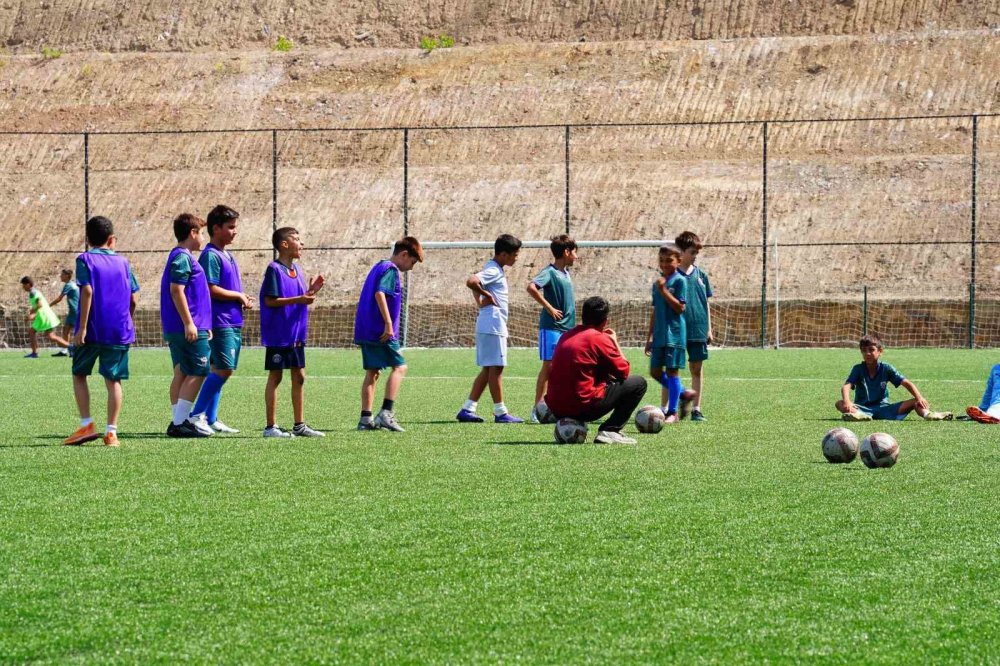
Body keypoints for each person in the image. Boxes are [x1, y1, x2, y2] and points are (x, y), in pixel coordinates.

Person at [63, 216, 140, 448]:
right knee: (113, 380)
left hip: (93, 330)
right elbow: (134, 298)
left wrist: (83, 327)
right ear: (111, 239)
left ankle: (87, 425)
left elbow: (86, 291)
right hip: (118, 330)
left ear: (87, 239)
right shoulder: (124, 263)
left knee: (79, 374)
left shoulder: (84, 259)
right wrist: (127, 320)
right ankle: (111, 433)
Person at [545, 296, 647, 444]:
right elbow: (624, 371)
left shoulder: (565, 336)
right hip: (582, 407)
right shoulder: (599, 338)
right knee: (638, 383)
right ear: (605, 321)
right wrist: (614, 341)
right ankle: (610, 430)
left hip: (556, 407)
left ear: (583, 316)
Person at [190, 205, 252, 434]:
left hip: (233, 319)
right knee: (223, 370)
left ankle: (211, 417)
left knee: (220, 369)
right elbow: (210, 288)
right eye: (231, 227)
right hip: (220, 321)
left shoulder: (228, 254)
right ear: (216, 228)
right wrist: (237, 295)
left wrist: (242, 297)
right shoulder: (211, 255)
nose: (235, 231)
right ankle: (196, 415)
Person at [260, 227, 326, 438]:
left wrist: (312, 291)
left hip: (296, 334)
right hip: (279, 334)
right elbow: (270, 301)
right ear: (284, 244)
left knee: (299, 377)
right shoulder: (274, 269)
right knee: (276, 377)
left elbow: (301, 298)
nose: (301, 243)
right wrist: (300, 299)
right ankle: (271, 427)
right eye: (297, 239)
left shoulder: (297, 270)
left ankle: (299, 425)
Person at [354, 236, 424, 432]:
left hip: (367, 328)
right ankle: (386, 412)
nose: (411, 267)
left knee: (373, 372)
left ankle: (365, 419)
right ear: (403, 254)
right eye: (412, 262)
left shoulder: (379, 266)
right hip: (381, 331)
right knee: (400, 367)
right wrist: (388, 324)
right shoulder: (391, 270)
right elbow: (379, 294)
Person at [456, 234, 525, 424]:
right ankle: (501, 412)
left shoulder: (493, 268)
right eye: (514, 255)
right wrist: (485, 295)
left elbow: (475, 283)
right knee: (497, 368)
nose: (516, 258)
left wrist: (480, 300)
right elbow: (471, 281)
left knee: (488, 369)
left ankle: (468, 409)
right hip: (493, 324)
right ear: (503, 254)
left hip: (490, 323)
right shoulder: (494, 270)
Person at [161, 213, 214, 438]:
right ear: (192, 233)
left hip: (186, 325)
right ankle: (180, 421)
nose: (202, 237)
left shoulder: (181, 256)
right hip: (187, 326)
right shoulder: (183, 257)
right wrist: (190, 323)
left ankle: (178, 421)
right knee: (199, 370)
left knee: (182, 372)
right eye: (201, 232)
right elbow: (177, 290)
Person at [837, 334, 952, 421]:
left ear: (880, 351)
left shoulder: (886, 368)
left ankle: (928, 415)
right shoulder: (858, 368)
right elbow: (846, 387)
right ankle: (857, 415)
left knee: (915, 401)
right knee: (840, 403)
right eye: (864, 351)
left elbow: (906, 383)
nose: (867, 353)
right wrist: (847, 402)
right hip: (862, 408)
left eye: (871, 350)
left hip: (884, 409)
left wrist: (919, 397)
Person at [527, 234, 577, 423]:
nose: (576, 257)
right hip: (552, 328)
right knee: (548, 368)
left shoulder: (565, 273)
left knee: (565, 369)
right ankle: (537, 409)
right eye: (574, 252)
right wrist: (549, 308)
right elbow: (531, 287)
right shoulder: (549, 272)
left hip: (567, 329)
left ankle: (560, 407)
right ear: (566, 252)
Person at [645, 245, 694, 424]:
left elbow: (680, 308)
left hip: (674, 334)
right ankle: (684, 393)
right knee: (655, 372)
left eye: (669, 260)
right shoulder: (657, 283)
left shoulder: (680, 281)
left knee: (672, 372)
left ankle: (672, 412)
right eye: (662, 260)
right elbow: (656, 311)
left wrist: (664, 291)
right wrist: (649, 337)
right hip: (659, 335)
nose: (665, 264)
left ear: (678, 261)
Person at [674, 230, 712, 421]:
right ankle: (675, 404)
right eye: (692, 252)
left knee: (696, 369)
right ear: (680, 253)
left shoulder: (701, 275)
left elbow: (706, 302)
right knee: (674, 368)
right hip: (677, 330)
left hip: (698, 328)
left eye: (697, 252)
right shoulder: (672, 276)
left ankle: (696, 409)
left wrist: (709, 328)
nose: (695, 256)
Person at [20, 276, 70, 358]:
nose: (23, 287)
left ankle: (34, 353)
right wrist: (31, 312)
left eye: (24, 285)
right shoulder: (34, 292)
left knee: (32, 332)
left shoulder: (33, 293)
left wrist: (33, 314)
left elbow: (39, 305)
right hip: (45, 315)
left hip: (43, 317)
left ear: (28, 284)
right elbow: (36, 305)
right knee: (51, 336)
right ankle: (71, 347)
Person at [48, 268, 80, 357]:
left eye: (62, 275)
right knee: (66, 330)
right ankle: (65, 350)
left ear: (67, 276)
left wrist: (48, 305)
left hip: (75, 310)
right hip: (73, 311)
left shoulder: (69, 285)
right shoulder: (73, 284)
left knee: (76, 331)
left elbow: (59, 298)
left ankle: (75, 350)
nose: (60, 276)